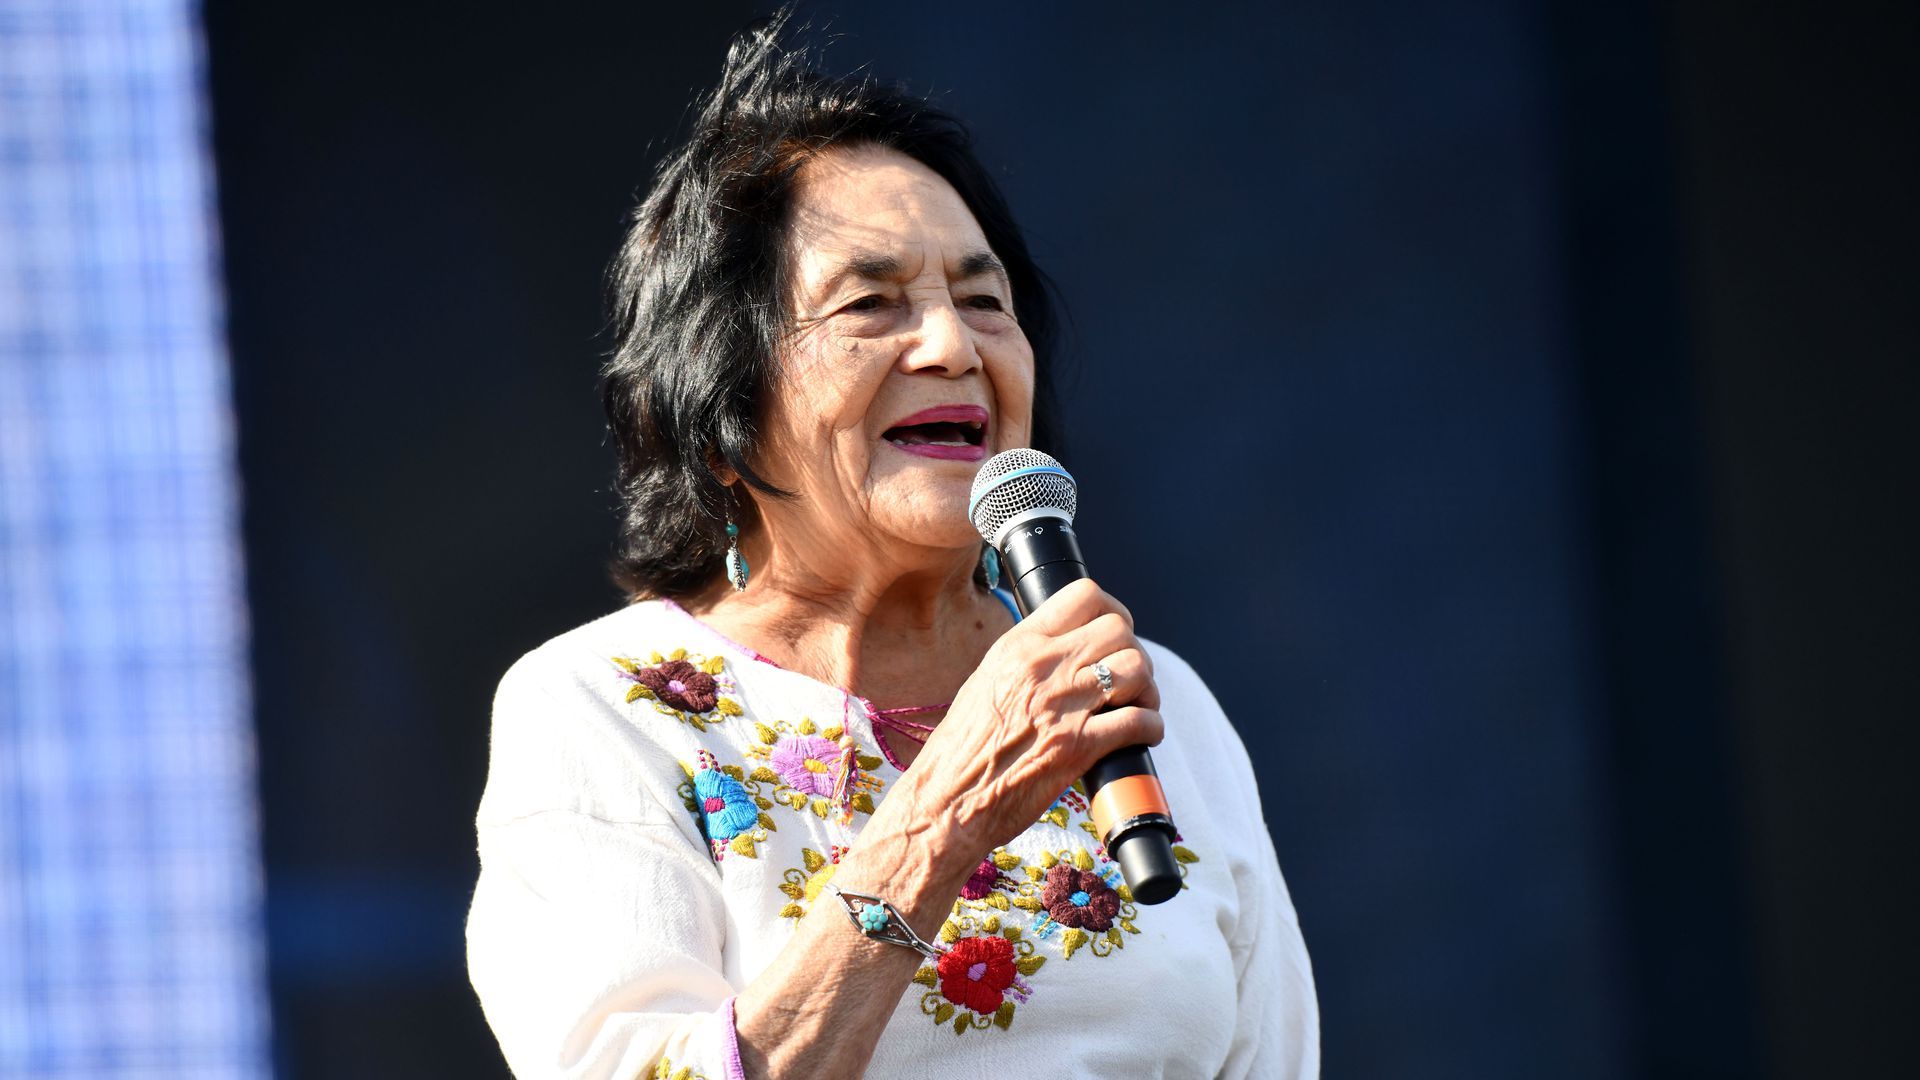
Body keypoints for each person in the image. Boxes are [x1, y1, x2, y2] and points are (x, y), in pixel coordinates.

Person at [466, 15, 1318, 1079]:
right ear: (723, 395)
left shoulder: (1154, 705)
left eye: (982, 300)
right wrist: (941, 817)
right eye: (871, 303)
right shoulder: (603, 708)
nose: (953, 346)